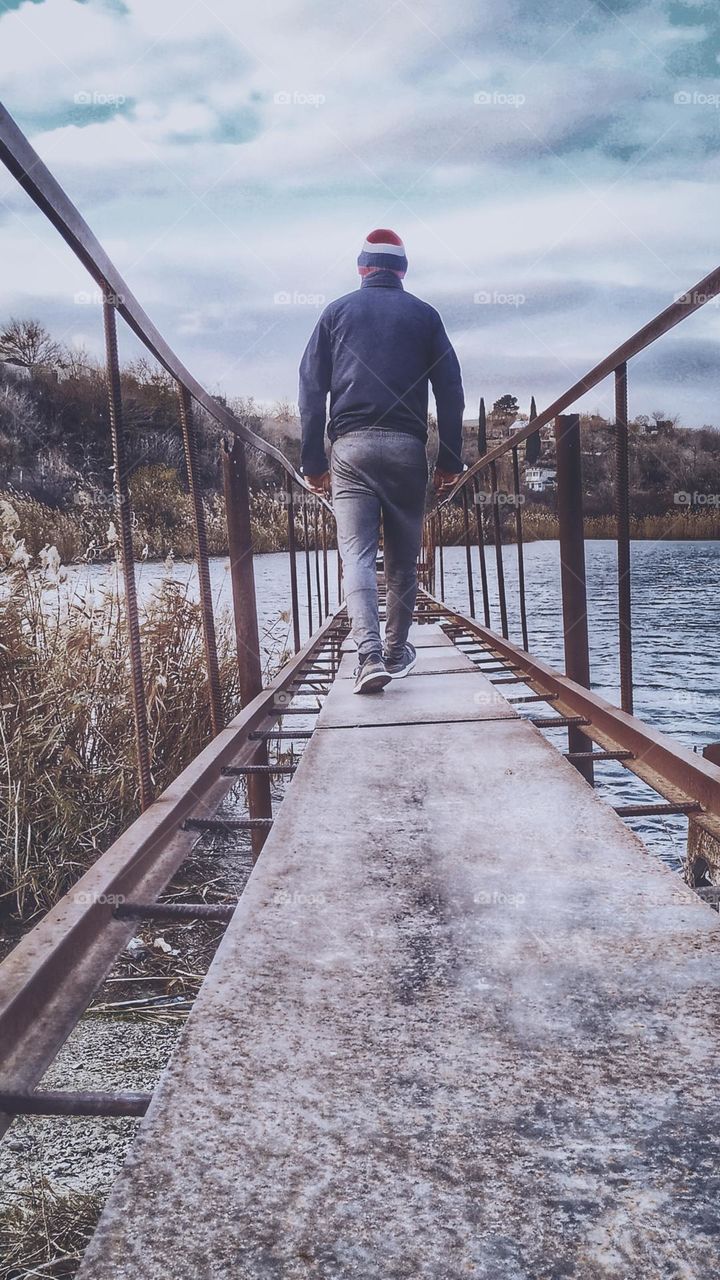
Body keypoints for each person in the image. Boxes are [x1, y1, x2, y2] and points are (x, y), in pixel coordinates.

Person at [299, 228, 465, 693]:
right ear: (403, 271)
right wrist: (451, 459)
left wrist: (313, 461)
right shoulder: (425, 316)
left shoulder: (335, 313)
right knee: (403, 558)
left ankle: (368, 655)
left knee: (356, 553)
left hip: (350, 449)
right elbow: (451, 391)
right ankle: (396, 650)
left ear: (362, 268)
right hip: (407, 450)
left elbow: (311, 389)